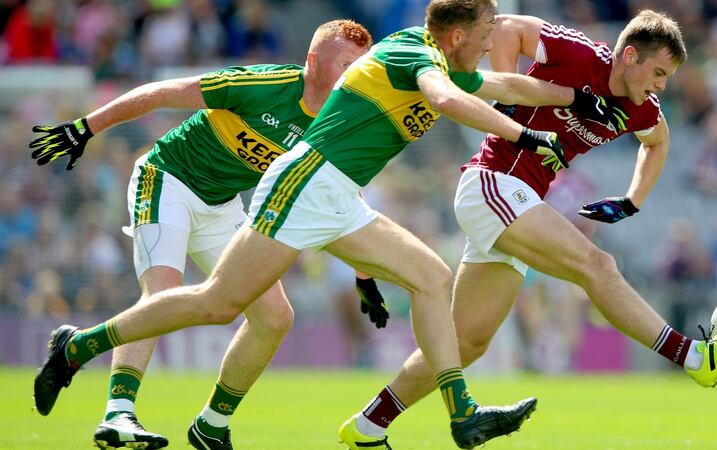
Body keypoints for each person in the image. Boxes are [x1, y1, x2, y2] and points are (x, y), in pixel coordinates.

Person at [33, 1, 627, 448]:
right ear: (454, 36)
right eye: (484, 37)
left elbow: (505, 83)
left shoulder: (450, 64)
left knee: (429, 275)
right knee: (218, 303)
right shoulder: (415, 56)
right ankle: (79, 345)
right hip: (306, 181)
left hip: (337, 195)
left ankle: (462, 413)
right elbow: (446, 101)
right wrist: (525, 132)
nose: (492, 44)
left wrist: (575, 98)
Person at [340, 10, 717, 446]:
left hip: (515, 201)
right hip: (492, 181)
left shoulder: (641, 108)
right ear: (629, 55)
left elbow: (658, 142)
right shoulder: (581, 56)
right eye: (657, 72)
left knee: (466, 342)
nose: (661, 86)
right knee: (597, 265)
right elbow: (505, 29)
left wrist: (632, 200)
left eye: (667, 77)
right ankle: (692, 356)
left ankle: (368, 426)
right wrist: (507, 95)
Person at [29, 19, 379, 450]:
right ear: (311, 61)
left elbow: (347, 198)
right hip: (167, 178)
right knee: (162, 295)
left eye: (359, 68)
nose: (351, 76)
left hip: (222, 205)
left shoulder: (340, 119)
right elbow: (161, 92)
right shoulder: (264, 85)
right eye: (344, 64)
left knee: (275, 316)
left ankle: (211, 424)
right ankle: (119, 414)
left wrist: (365, 273)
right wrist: (87, 127)